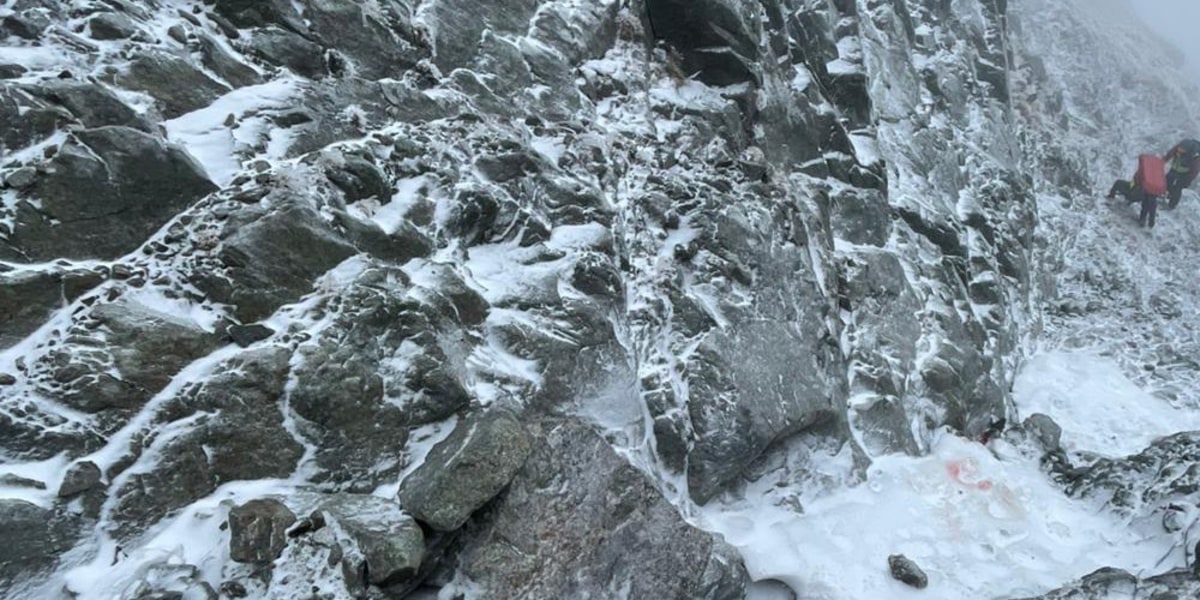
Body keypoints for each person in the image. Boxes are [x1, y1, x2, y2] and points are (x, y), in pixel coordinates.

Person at [1107, 153, 1168, 228]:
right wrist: (1152, 219)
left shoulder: (1144, 171)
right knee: (1147, 204)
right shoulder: (1156, 176)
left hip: (1135, 192)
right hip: (1147, 194)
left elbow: (1136, 180)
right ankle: (1144, 220)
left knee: (1118, 183)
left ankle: (1111, 196)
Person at [1163, 138, 1200, 209]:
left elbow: (1195, 171)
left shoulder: (1195, 157)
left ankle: (1172, 205)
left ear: (1188, 150)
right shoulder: (1179, 147)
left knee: (1177, 189)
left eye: (1182, 150)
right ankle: (1166, 194)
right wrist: (1161, 162)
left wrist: (1187, 180)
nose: (1179, 150)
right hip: (1174, 169)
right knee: (1167, 181)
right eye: (1179, 148)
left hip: (1185, 174)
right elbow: (1169, 154)